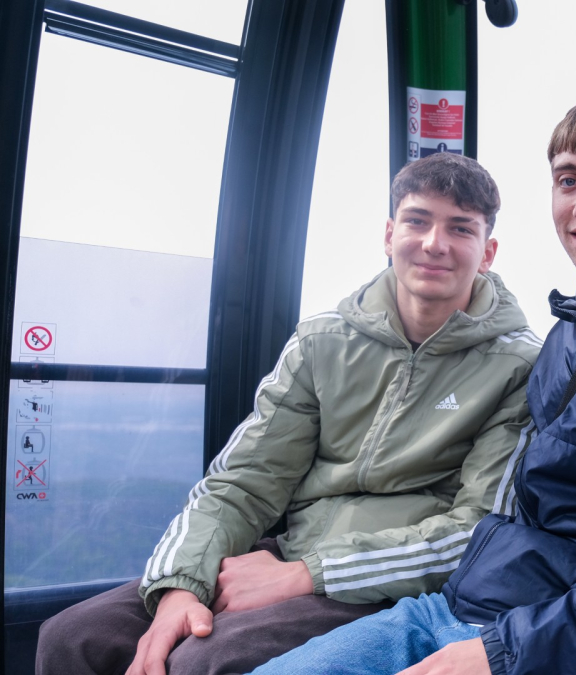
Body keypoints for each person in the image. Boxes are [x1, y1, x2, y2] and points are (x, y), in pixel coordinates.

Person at [253, 96, 576, 675]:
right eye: (568, 180)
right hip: (464, 604)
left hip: (560, 639)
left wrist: (504, 652)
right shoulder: (565, 337)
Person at [35, 152, 542, 675]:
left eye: (460, 228)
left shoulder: (519, 367)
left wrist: (309, 574)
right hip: (293, 548)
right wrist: (180, 586)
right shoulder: (322, 341)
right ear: (390, 234)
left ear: (487, 253)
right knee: (73, 638)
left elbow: (482, 530)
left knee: (205, 660)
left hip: (387, 577)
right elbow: (242, 482)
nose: (435, 243)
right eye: (417, 220)